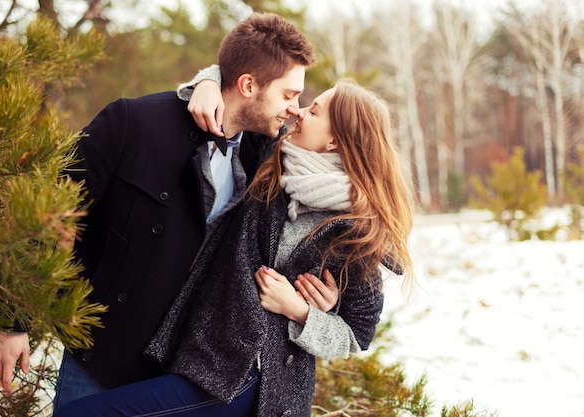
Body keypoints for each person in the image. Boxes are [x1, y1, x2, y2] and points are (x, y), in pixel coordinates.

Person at [0, 12, 322, 409]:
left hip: (180, 372)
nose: (296, 109)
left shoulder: (261, 156)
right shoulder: (134, 124)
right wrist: (11, 324)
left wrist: (324, 296)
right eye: (288, 95)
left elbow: (333, 187)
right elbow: (42, 214)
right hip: (100, 356)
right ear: (248, 84)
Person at [54, 78, 415, 417]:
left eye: (315, 111)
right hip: (205, 356)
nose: (299, 112)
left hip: (250, 379)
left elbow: (357, 335)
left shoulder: (358, 233)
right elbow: (246, 86)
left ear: (335, 141)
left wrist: (302, 313)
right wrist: (209, 82)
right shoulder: (273, 166)